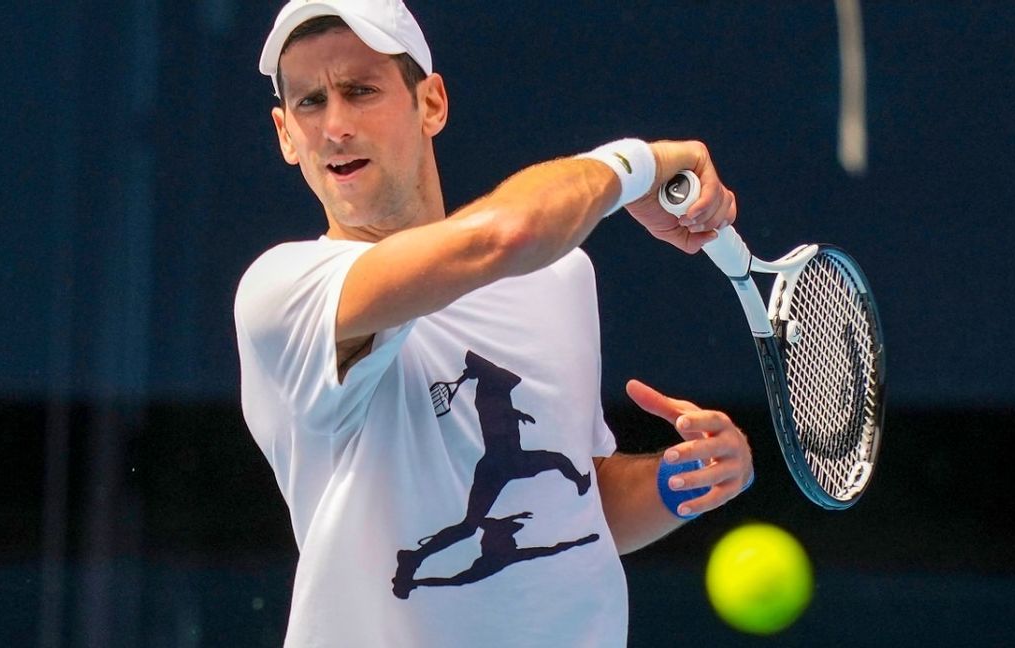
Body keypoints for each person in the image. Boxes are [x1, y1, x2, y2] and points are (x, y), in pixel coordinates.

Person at [235, 1, 754, 645]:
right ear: (286, 133)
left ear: (431, 104)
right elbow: (508, 233)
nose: (335, 125)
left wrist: (685, 478)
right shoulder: (283, 292)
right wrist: (639, 164)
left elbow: (578, 508)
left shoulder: (561, 277)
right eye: (311, 102)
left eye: (360, 90)